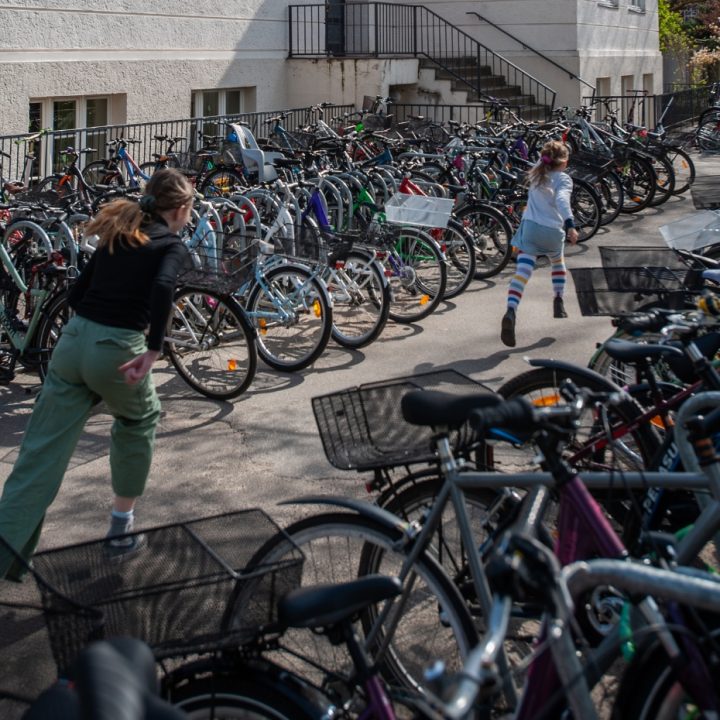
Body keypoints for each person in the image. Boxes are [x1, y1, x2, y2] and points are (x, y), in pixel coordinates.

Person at [0, 168, 193, 579]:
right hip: (118, 350)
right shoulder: (171, 245)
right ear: (180, 209)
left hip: (70, 344)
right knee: (138, 419)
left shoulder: (118, 234)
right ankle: (121, 530)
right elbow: (162, 289)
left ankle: (4, 556)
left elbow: (76, 292)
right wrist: (154, 347)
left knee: (39, 454)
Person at [501, 140, 579, 348]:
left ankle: (511, 309)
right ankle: (558, 300)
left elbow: (544, 159)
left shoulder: (536, 173)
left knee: (523, 271)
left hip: (531, 230)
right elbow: (562, 200)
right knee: (557, 262)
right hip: (552, 232)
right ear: (564, 162)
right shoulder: (563, 179)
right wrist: (570, 224)